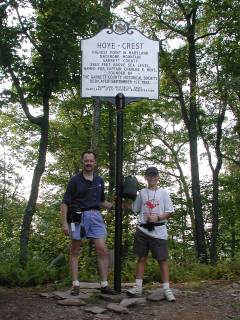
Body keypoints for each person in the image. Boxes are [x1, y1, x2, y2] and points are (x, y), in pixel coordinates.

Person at [60, 151, 116, 295]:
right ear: (82, 162)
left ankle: (104, 285)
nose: (89, 163)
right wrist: (64, 223)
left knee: (102, 249)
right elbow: (65, 202)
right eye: (86, 160)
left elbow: (101, 201)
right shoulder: (74, 180)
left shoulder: (99, 180)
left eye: (91, 161)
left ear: (95, 163)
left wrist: (116, 206)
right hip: (77, 216)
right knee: (75, 250)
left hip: (95, 216)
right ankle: (75, 284)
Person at [126, 166, 176, 302]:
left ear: (158, 177)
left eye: (155, 175)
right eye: (150, 175)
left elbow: (170, 211)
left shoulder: (164, 193)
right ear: (146, 177)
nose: (152, 178)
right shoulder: (142, 192)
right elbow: (134, 209)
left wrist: (158, 218)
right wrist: (122, 201)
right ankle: (138, 287)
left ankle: (166, 289)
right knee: (141, 258)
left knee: (162, 260)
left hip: (159, 231)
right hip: (142, 230)